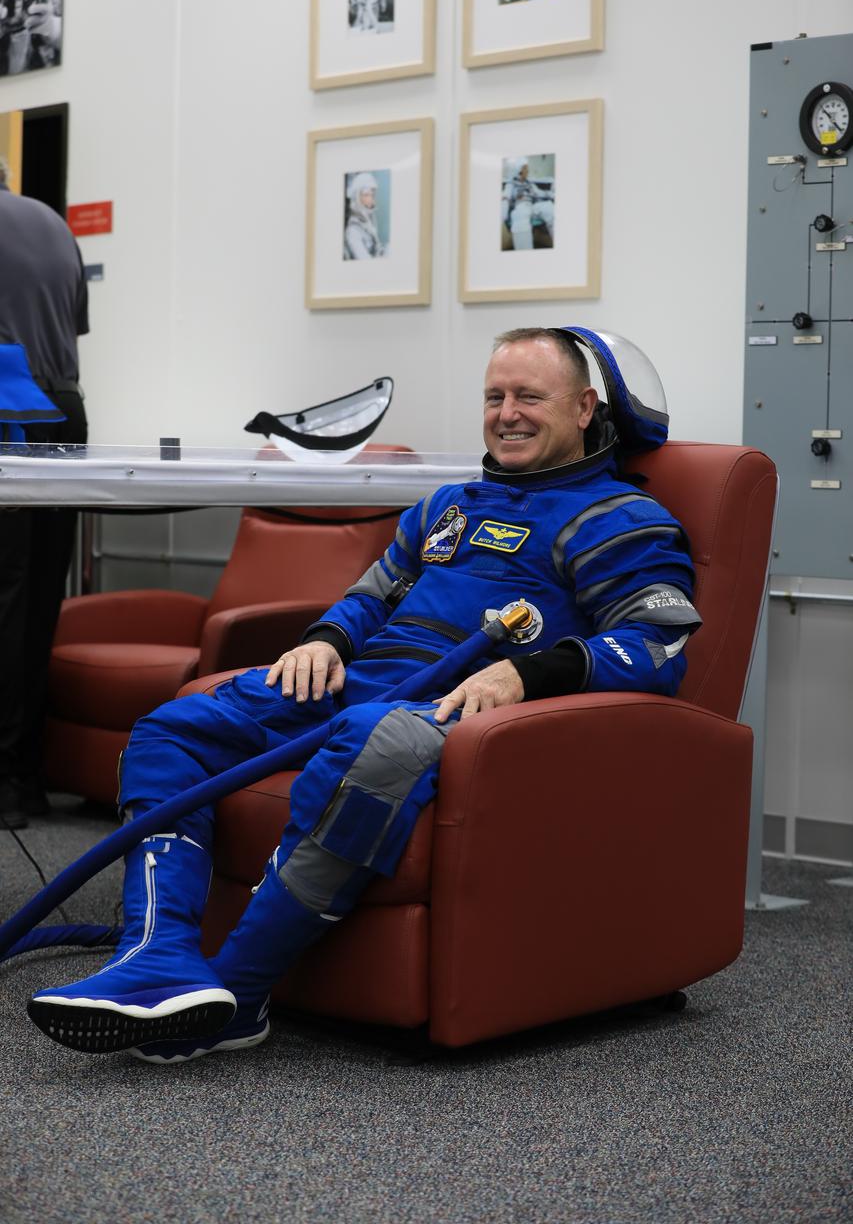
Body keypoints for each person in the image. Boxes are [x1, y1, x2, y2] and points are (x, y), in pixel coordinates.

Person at [27, 326, 701, 1063]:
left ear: (583, 409)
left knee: (376, 737)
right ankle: (157, 958)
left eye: (528, 396)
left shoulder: (618, 520)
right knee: (171, 726)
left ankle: (238, 993)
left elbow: (655, 645)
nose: (506, 412)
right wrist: (325, 641)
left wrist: (523, 673)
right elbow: (372, 594)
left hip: (458, 710)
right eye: (494, 396)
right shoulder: (451, 505)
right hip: (366, 680)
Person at [0, 154, 89, 829]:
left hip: (7, 406)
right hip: (63, 410)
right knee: (38, 602)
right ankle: (25, 778)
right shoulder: (54, 224)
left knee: (2, 600)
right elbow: (72, 330)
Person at [501, 161, 555, 251]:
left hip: (532, 206)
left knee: (548, 207)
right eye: (525, 169)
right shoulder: (511, 184)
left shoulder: (530, 183)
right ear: (519, 171)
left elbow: (540, 193)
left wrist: (552, 194)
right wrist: (504, 211)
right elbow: (506, 196)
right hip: (520, 206)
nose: (527, 171)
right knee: (520, 214)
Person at [344, 171, 385, 260]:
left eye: (372, 194)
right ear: (357, 197)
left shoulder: (370, 218)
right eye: (366, 195)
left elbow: (378, 247)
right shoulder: (353, 231)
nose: (370, 199)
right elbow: (365, 261)